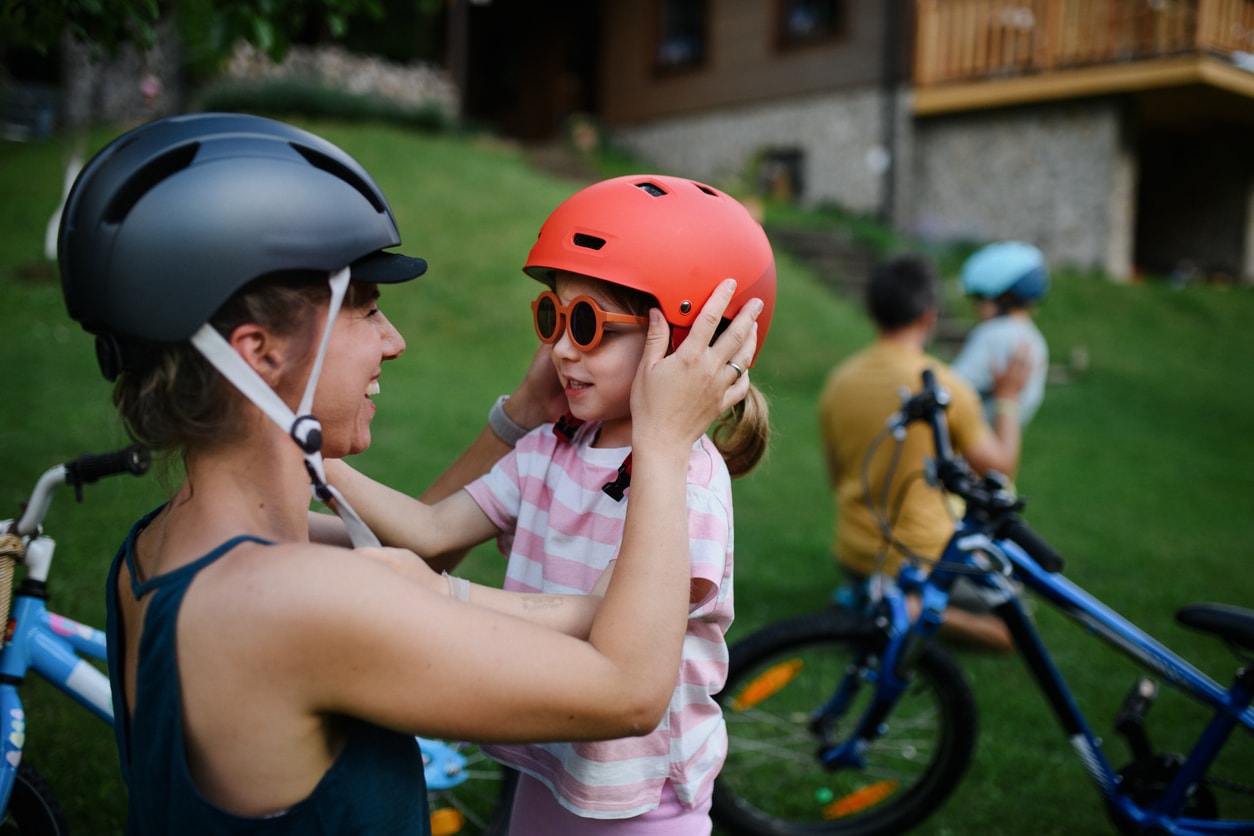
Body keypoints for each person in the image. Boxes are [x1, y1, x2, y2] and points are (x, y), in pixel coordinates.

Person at [56, 114, 764, 835]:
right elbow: (628, 690)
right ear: (258, 352)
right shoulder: (300, 600)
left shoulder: (156, 552)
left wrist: (519, 414)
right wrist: (668, 442)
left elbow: (418, 548)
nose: (394, 343)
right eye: (365, 309)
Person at [327, 173, 777, 835]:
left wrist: (440, 597)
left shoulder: (689, 481)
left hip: (646, 804)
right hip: (551, 765)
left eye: (589, 325)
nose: (560, 348)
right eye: (552, 318)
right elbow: (430, 528)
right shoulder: (555, 446)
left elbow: (604, 620)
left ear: (683, 344)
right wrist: (315, 462)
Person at [819, 254, 1025, 653]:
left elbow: (836, 477)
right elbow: (1000, 468)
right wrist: (1008, 400)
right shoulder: (947, 388)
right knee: (1016, 633)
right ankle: (913, 608)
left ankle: (869, 592)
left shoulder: (838, 382)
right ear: (929, 316)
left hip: (854, 549)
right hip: (923, 558)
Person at [951, 240, 1050, 427]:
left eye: (979, 298)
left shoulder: (994, 334)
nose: (976, 308)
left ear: (999, 298)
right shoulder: (1036, 341)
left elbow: (952, 389)